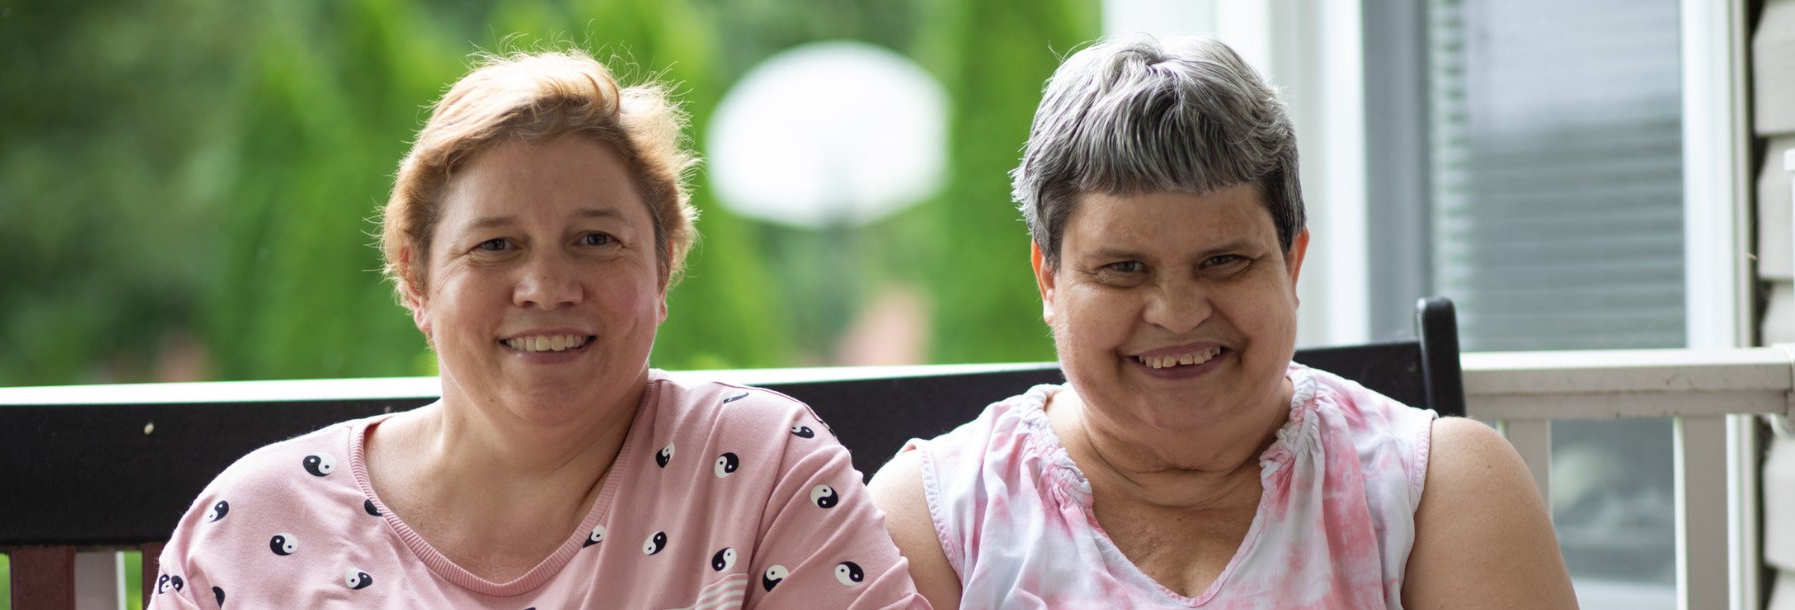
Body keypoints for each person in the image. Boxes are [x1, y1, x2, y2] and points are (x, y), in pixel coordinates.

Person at [151, 48, 925, 609]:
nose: (547, 287)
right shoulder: (258, 521)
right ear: (416, 280)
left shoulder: (754, 467)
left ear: (662, 273)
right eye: (495, 246)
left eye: (596, 240)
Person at [868, 35, 1576, 608]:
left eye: (1224, 261)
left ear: (1292, 265)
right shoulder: (936, 520)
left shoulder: (1438, 487)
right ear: (1049, 280)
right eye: (1123, 269)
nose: (1177, 313)